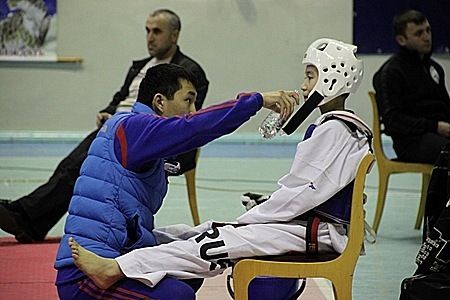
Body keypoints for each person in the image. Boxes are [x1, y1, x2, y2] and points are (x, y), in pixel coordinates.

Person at [60, 38, 373, 298]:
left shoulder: (334, 129)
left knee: (193, 242)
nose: (193, 111)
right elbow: (196, 128)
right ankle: (114, 271)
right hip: (87, 268)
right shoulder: (134, 129)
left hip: (119, 245)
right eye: (188, 100)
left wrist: (253, 218)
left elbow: (304, 192)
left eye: (309, 75)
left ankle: (123, 268)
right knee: (183, 283)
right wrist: (256, 101)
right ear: (159, 102)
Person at [0, 9, 209, 243]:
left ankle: (26, 218)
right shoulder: (141, 66)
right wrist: (107, 112)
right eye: (147, 31)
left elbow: (188, 120)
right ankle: (27, 219)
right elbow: (121, 97)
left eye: (157, 32)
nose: (150, 37)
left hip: (143, 137)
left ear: (174, 35)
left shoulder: (189, 71)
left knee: (77, 168)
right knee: (70, 166)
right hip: (117, 128)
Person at [373, 9, 450, 165]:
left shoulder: (435, 68)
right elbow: (393, 120)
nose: (426, 37)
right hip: (411, 141)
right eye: (419, 33)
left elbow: (445, 107)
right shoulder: (390, 72)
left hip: (439, 134)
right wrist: (435, 126)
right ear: (402, 40)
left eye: (428, 30)